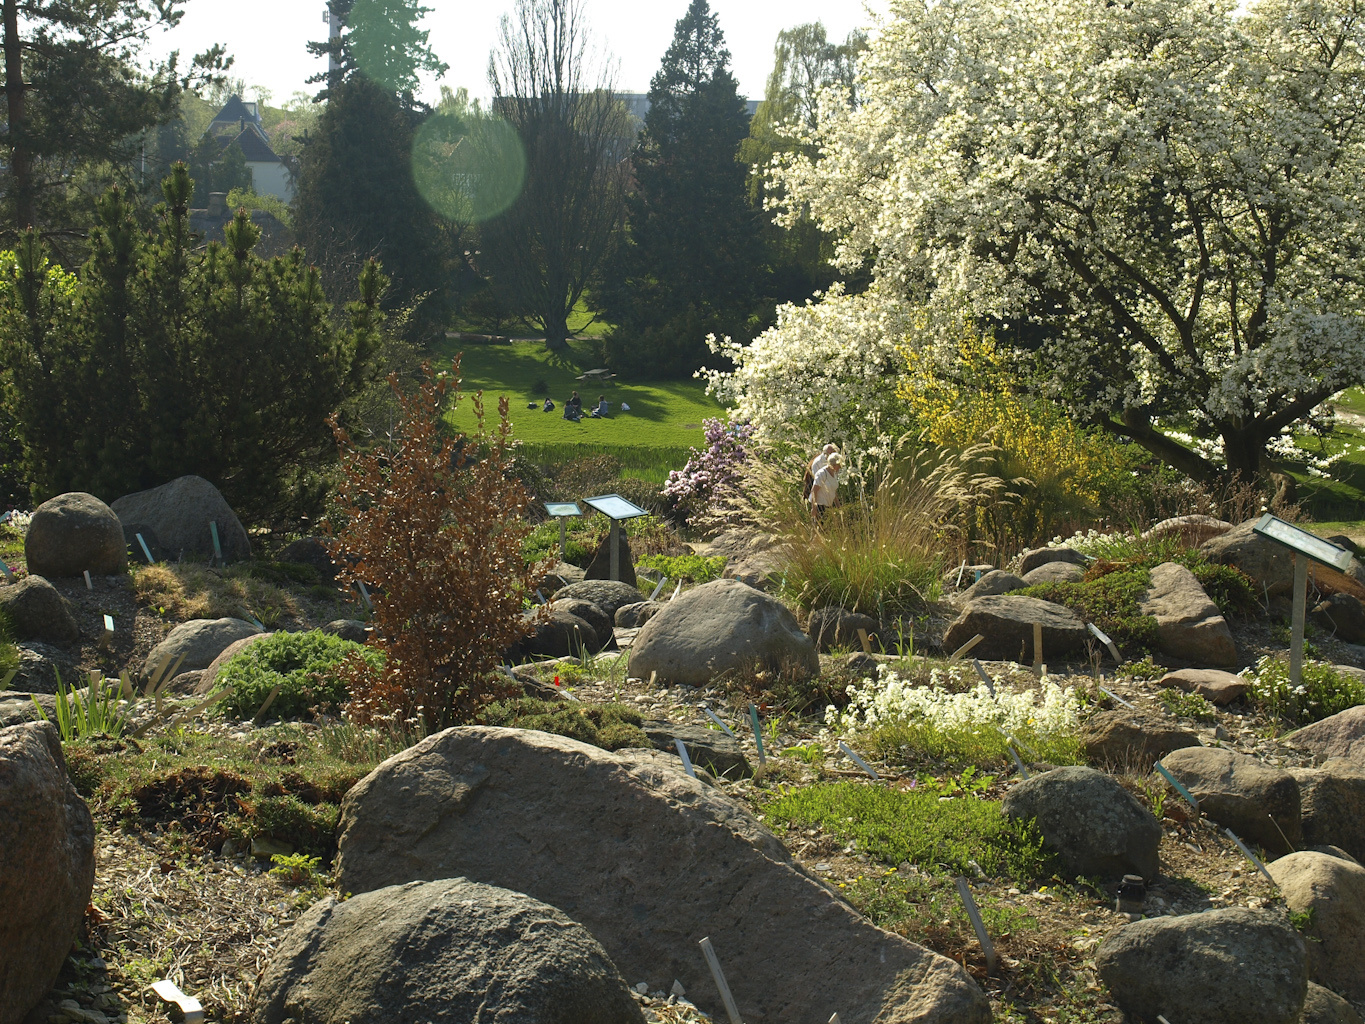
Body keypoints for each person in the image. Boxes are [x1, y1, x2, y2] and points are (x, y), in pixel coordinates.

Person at [809, 453, 843, 522]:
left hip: (828, 506)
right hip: (819, 505)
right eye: (838, 465)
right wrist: (814, 508)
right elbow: (814, 490)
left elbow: (833, 491)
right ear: (833, 464)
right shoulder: (822, 473)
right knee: (819, 529)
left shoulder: (834, 474)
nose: (840, 467)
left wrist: (838, 506)